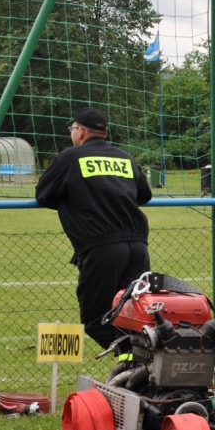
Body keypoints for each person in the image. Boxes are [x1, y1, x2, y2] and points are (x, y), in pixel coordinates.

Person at [36, 107, 152, 354]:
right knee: (134, 315)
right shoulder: (124, 157)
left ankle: (133, 363)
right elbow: (144, 194)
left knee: (96, 319)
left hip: (101, 247)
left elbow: (43, 194)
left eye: (72, 129)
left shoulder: (70, 157)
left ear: (81, 131)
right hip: (138, 245)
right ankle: (144, 367)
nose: (72, 134)